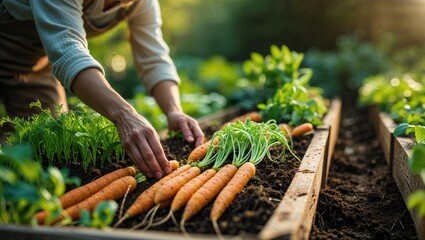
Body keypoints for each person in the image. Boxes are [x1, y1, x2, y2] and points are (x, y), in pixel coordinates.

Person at [0, 0, 205, 179]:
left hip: (34, 63)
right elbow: (69, 51)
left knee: (41, 149)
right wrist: (124, 115)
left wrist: (173, 110)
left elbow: (154, 59)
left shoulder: (142, 3)